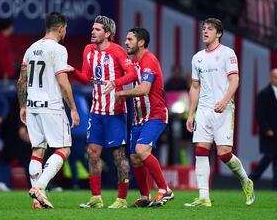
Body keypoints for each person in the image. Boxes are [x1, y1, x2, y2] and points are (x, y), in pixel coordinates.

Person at [184, 18, 254, 207]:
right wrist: (191, 113)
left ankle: (245, 181)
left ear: (219, 33)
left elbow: (234, 80)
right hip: (204, 110)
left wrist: (224, 100)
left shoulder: (227, 53)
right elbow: (195, 86)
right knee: (200, 150)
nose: (205, 31)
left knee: (224, 154)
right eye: (203, 29)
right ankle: (204, 197)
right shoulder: (197, 57)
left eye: (210, 29)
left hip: (223, 108)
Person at [68, 15, 136, 208]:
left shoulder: (118, 52)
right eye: (93, 28)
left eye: (97, 29)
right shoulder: (88, 50)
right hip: (96, 112)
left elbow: (132, 74)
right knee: (92, 153)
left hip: (115, 112)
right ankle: (96, 198)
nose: (93, 31)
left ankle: (122, 199)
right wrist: (72, 71)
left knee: (118, 156)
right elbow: (85, 78)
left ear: (107, 33)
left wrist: (115, 83)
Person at [17, 12, 79, 209]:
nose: (65, 32)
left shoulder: (31, 48)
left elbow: (21, 81)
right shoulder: (59, 50)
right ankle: (40, 188)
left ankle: (37, 201)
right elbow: (63, 81)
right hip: (51, 107)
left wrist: (22, 106)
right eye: (65, 29)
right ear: (61, 28)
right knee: (64, 149)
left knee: (38, 150)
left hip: (33, 106)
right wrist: (74, 109)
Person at [114, 27, 174, 207]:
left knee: (141, 150)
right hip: (139, 119)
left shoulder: (149, 60)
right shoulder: (134, 62)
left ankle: (165, 190)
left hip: (155, 115)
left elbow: (145, 89)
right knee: (134, 158)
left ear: (141, 42)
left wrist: (121, 94)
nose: (126, 42)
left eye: (130, 39)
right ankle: (145, 197)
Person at [249, 69, 277, 190]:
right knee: (269, 156)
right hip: (270, 131)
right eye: (275, 77)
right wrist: (266, 128)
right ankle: (251, 179)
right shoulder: (264, 93)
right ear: (271, 78)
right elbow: (259, 113)